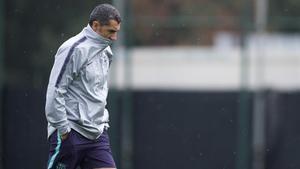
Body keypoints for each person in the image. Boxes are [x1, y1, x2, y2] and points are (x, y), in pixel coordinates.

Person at [45, 4, 121, 169]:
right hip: (71, 133)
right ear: (95, 25)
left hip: (97, 135)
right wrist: (63, 129)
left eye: (116, 32)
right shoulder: (73, 49)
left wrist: (101, 122)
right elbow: (55, 91)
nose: (114, 38)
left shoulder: (106, 51)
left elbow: (97, 91)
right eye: (111, 31)